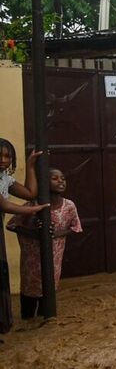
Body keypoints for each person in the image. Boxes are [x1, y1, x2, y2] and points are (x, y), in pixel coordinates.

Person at [7, 168, 81, 320]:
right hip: (31, 262)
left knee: (48, 302)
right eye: (55, 178)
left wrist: (56, 235)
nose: (61, 181)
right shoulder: (32, 205)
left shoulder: (69, 206)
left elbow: (75, 227)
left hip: (54, 261)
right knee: (28, 303)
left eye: (63, 178)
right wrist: (34, 233)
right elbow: (12, 225)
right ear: (42, 183)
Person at [0, 139, 49, 333]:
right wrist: (35, 210)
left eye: (7, 156)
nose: (3, 160)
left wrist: (30, 166)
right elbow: (3, 205)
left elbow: (30, 192)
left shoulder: (5, 178)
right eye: (0, 156)